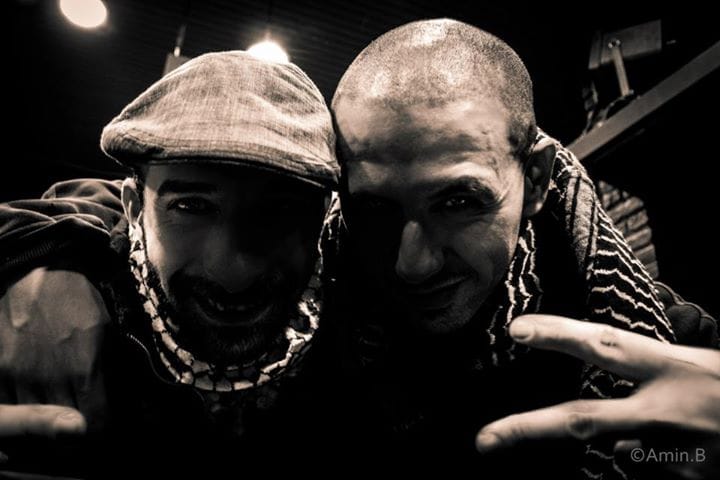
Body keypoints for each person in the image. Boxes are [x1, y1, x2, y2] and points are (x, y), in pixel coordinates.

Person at [330, 18, 718, 478]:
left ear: (535, 179)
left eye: (458, 202)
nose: (413, 264)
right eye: (375, 209)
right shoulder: (303, 347)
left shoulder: (670, 353)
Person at [0, 50, 341, 476]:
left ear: (324, 215)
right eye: (192, 206)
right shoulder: (94, 292)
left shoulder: (364, 320)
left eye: (280, 211)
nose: (234, 272)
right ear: (134, 208)